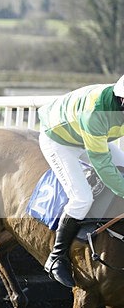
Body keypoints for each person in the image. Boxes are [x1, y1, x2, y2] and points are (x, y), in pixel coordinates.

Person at [38, 74, 124, 288]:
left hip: (87, 135)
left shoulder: (117, 104)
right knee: (81, 197)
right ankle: (56, 258)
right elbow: (102, 164)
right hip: (59, 139)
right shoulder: (96, 113)